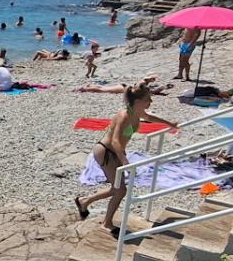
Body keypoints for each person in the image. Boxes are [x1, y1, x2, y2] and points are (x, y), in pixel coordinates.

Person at [74, 83, 180, 234]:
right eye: (148, 99)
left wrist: (170, 124)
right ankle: (106, 222)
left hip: (114, 153)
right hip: (106, 152)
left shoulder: (136, 112)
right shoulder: (124, 115)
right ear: (137, 102)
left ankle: (85, 201)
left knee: (117, 189)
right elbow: (115, 140)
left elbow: (149, 117)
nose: (151, 102)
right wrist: (124, 160)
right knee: (120, 190)